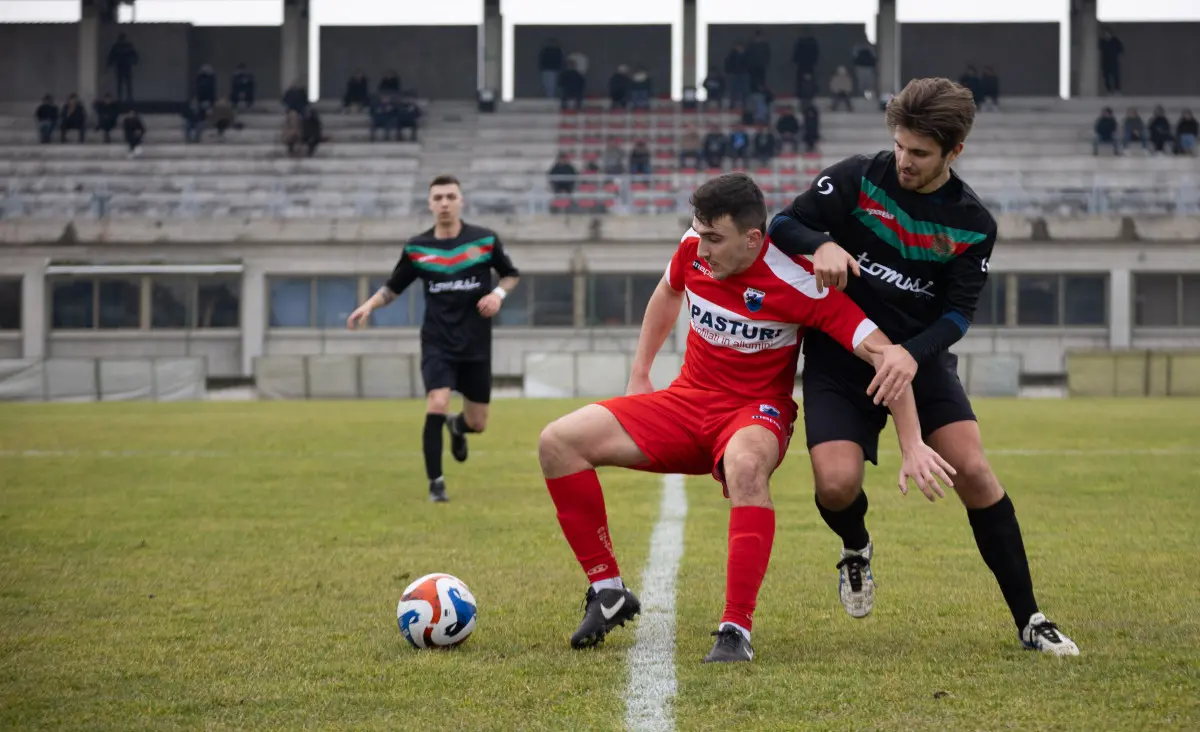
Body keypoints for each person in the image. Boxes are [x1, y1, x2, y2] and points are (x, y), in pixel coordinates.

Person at [537, 173, 956, 663]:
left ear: (753, 238)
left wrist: (911, 440)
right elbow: (668, 293)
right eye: (699, 232)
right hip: (685, 401)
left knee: (746, 468)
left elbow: (886, 355)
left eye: (715, 238)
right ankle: (608, 592)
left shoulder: (801, 280)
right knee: (557, 442)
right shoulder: (694, 248)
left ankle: (735, 628)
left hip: (755, 412)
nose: (703, 247)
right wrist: (640, 373)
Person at [766, 77, 1080, 656]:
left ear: (954, 153)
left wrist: (912, 354)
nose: (905, 161)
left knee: (976, 472)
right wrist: (821, 243)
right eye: (901, 145)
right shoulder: (860, 176)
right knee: (836, 486)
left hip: (920, 361)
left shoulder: (972, 223)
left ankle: (1030, 619)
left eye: (921, 153)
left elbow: (959, 315)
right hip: (841, 355)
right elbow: (781, 222)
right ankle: (856, 548)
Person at [346, 176, 521, 503]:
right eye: (438, 197)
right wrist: (369, 305)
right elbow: (392, 288)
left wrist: (497, 294)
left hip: (476, 345)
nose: (444, 203)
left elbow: (511, 275)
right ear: (429, 204)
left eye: (450, 196)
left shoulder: (484, 240)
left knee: (478, 423)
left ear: (460, 201)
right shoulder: (417, 248)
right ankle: (436, 484)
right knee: (437, 402)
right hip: (438, 342)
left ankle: (457, 428)